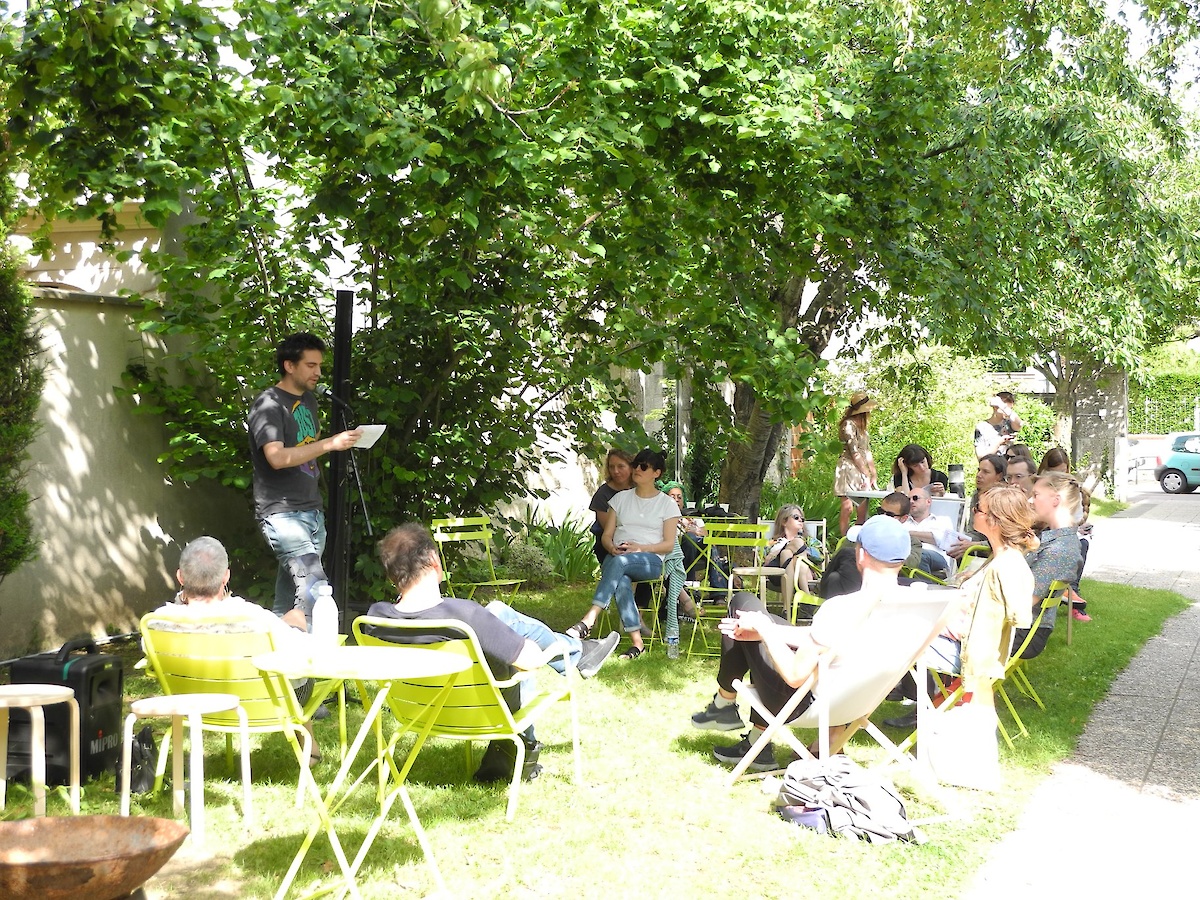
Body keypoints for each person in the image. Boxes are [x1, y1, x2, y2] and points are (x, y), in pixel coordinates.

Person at [367, 524, 620, 783]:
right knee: (504, 619)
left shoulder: (375, 618)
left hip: (417, 714)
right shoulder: (464, 616)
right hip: (484, 714)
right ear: (433, 561)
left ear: (391, 576)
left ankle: (579, 652)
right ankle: (575, 651)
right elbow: (531, 660)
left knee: (500, 618)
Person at [689, 516, 915, 771]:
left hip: (803, 703)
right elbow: (828, 640)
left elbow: (795, 676)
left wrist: (765, 632)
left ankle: (724, 705)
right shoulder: (915, 605)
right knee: (767, 621)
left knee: (743, 602)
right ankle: (739, 724)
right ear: (902, 559)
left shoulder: (842, 608)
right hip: (857, 705)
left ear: (861, 556)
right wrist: (770, 630)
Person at [150, 536, 322, 758]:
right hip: (262, 705)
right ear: (226, 576)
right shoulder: (252, 618)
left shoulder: (158, 622)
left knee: (292, 618)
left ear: (180, 576)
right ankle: (309, 749)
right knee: (296, 620)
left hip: (193, 703)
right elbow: (304, 658)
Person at [888, 484, 1037, 729]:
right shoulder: (1003, 558)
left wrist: (937, 618)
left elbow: (993, 623)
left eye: (978, 509)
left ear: (994, 520)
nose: (974, 512)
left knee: (883, 626)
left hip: (969, 652)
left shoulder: (1005, 566)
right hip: (968, 646)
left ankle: (853, 708)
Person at [247, 332, 362, 622]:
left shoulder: (309, 401)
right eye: (311, 365)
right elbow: (276, 457)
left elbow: (308, 443)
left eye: (319, 365)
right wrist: (329, 445)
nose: (318, 372)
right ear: (289, 365)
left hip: (311, 509)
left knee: (290, 595)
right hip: (281, 513)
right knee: (315, 586)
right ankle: (311, 657)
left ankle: (273, 651)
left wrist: (339, 441)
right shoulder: (268, 405)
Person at [567, 449, 680, 659]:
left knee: (619, 563)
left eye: (643, 466)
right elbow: (607, 535)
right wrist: (611, 547)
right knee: (622, 581)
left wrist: (640, 548)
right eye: (636, 464)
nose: (637, 469)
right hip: (620, 554)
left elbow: (668, 545)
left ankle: (589, 619)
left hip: (650, 560)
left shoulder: (667, 504)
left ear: (657, 473)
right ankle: (638, 644)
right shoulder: (619, 499)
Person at [1012, 473, 1084, 659]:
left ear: (1055, 500)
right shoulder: (1058, 540)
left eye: (1036, 495)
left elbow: (1024, 601)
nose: (1030, 500)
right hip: (1020, 627)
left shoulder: (1059, 551)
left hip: (1022, 633)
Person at [947, 453, 1007, 560]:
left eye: (986, 472)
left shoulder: (1005, 500)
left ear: (999, 476)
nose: (979, 475)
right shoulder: (976, 495)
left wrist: (974, 545)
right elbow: (975, 531)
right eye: (978, 470)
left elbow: (1007, 541)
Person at [834, 392, 878, 535]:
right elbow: (854, 452)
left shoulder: (863, 427)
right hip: (848, 468)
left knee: (862, 508)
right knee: (847, 507)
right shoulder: (848, 425)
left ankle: (859, 540)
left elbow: (867, 451)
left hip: (861, 468)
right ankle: (844, 540)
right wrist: (865, 472)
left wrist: (873, 473)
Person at [763, 504, 822, 601]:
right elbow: (765, 563)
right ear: (784, 521)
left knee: (794, 551)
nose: (800, 520)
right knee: (789, 552)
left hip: (807, 575)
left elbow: (820, 557)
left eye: (802, 519)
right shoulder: (773, 542)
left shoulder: (809, 541)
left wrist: (801, 549)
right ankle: (808, 600)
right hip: (779, 576)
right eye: (796, 517)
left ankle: (786, 609)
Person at [588, 449, 633, 565]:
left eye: (621, 466)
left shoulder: (640, 490)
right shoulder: (603, 494)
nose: (616, 471)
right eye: (611, 467)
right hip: (609, 546)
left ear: (631, 467)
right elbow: (610, 530)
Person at [904, 487, 957, 576]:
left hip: (937, 561)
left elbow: (941, 540)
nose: (911, 501)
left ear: (928, 501)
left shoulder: (942, 520)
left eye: (915, 498)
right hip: (907, 557)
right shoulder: (903, 521)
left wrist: (906, 533)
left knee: (919, 554)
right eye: (908, 499)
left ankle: (922, 587)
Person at [974, 393, 1022, 458]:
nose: (1007, 412)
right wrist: (998, 443)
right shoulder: (982, 427)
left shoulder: (1009, 423)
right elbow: (981, 457)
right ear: (995, 407)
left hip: (1008, 466)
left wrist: (1004, 407)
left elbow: (1019, 424)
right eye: (1004, 409)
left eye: (1010, 409)